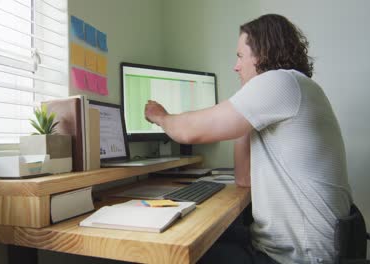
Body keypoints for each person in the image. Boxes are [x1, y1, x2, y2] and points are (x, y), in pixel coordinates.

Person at [145, 14, 352, 264]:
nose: (236, 66)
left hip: (299, 258)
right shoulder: (297, 87)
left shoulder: (281, 81)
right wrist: (245, 114)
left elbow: (189, 131)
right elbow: (244, 179)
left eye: (240, 56)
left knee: (170, 253)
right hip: (293, 248)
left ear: (263, 55)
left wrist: (160, 116)